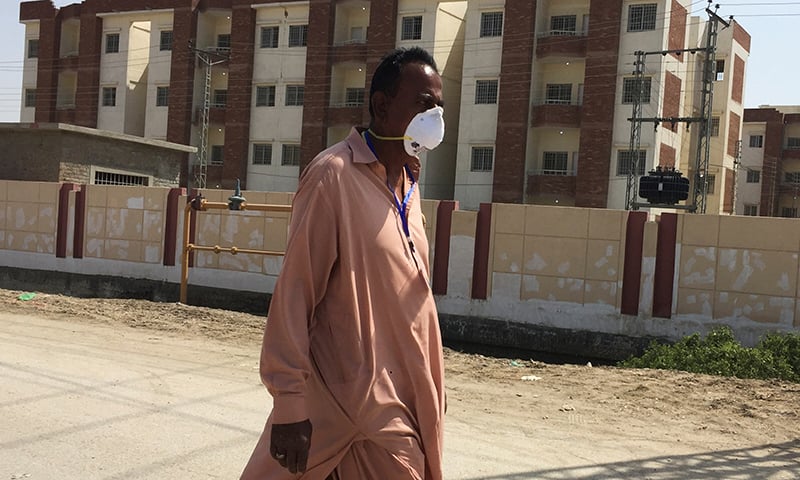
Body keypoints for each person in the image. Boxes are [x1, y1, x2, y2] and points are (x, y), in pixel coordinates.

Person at [240, 46, 446, 480]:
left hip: (399, 406)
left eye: (440, 107)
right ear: (382, 105)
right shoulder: (331, 175)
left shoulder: (408, 186)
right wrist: (289, 405)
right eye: (424, 105)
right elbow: (296, 293)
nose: (435, 118)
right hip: (331, 406)